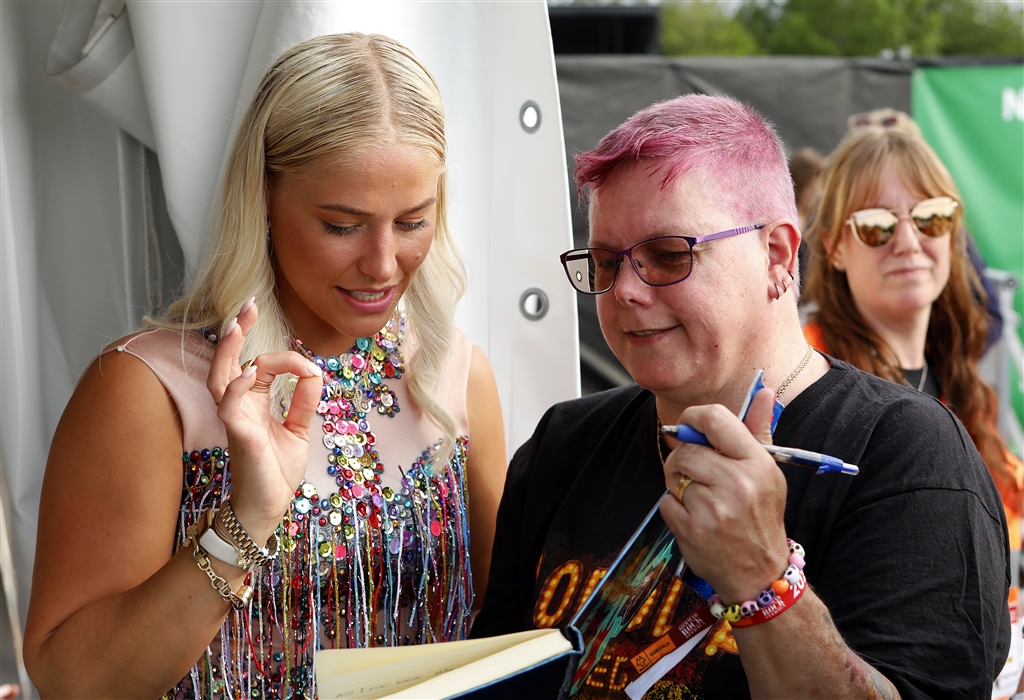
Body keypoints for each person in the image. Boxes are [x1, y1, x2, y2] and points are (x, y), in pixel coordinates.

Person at [471, 94, 1010, 698]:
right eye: (604, 262)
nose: (624, 290)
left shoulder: (904, 453)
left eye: (668, 255)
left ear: (776, 254)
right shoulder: (563, 445)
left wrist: (763, 580)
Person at [23, 33, 507, 699]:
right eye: (343, 225)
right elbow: (74, 681)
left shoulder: (456, 374)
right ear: (264, 203)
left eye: (413, 221)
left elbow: (506, 635)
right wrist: (245, 519)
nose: (384, 263)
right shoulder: (147, 390)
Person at [801, 125, 1024, 694]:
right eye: (876, 226)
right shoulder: (803, 372)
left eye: (930, 218)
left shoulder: (959, 377)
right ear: (834, 247)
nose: (907, 242)